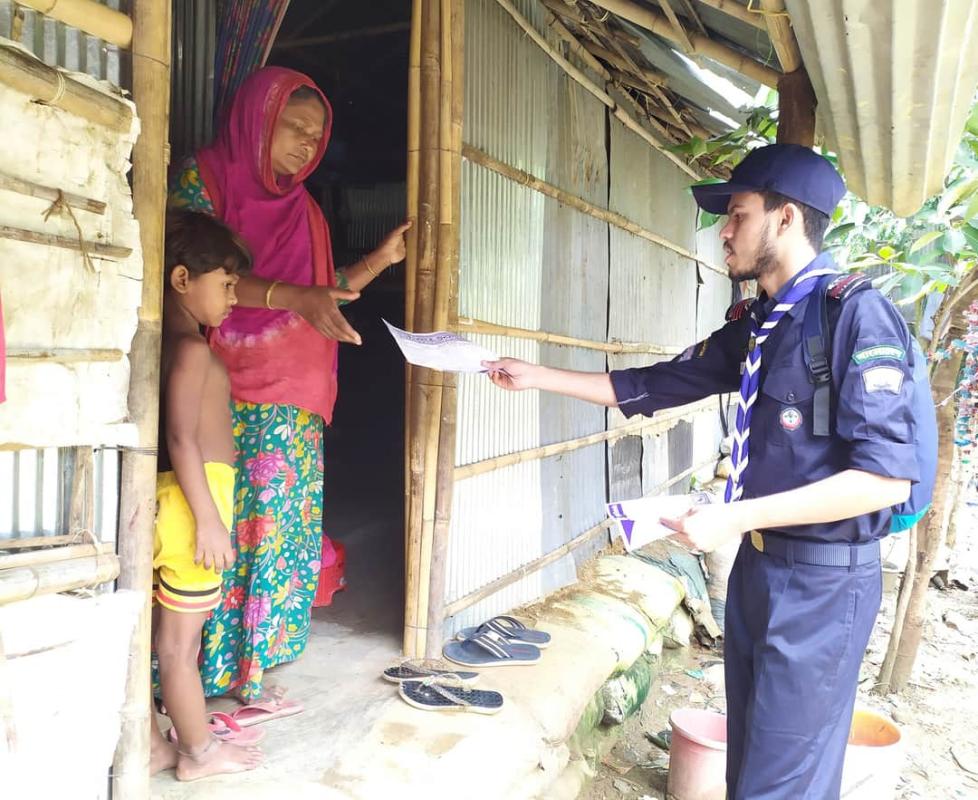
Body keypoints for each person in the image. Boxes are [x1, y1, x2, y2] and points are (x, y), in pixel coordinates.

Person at [484, 144, 918, 799]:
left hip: (824, 585)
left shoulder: (852, 314)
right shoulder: (762, 322)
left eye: (738, 215)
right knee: (750, 764)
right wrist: (535, 375)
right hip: (760, 568)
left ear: (785, 219)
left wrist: (732, 515)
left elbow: (887, 480)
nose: (725, 231)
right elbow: (656, 383)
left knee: (781, 783)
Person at [168, 66, 409, 707]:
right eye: (293, 128)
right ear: (257, 120)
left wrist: (381, 261)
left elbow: (321, 294)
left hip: (298, 401)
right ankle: (213, 673)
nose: (306, 144)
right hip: (236, 393)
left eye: (316, 136)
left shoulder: (304, 211)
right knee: (232, 532)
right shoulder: (208, 179)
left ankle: (254, 670)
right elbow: (187, 269)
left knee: (280, 539)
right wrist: (291, 296)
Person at [150, 210, 261, 780]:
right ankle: (198, 752)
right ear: (181, 280)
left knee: (165, 640)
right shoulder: (192, 352)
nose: (234, 297)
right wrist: (211, 523)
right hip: (193, 510)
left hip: (179, 503)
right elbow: (181, 438)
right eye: (226, 283)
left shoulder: (169, 345)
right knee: (179, 648)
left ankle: (152, 742)